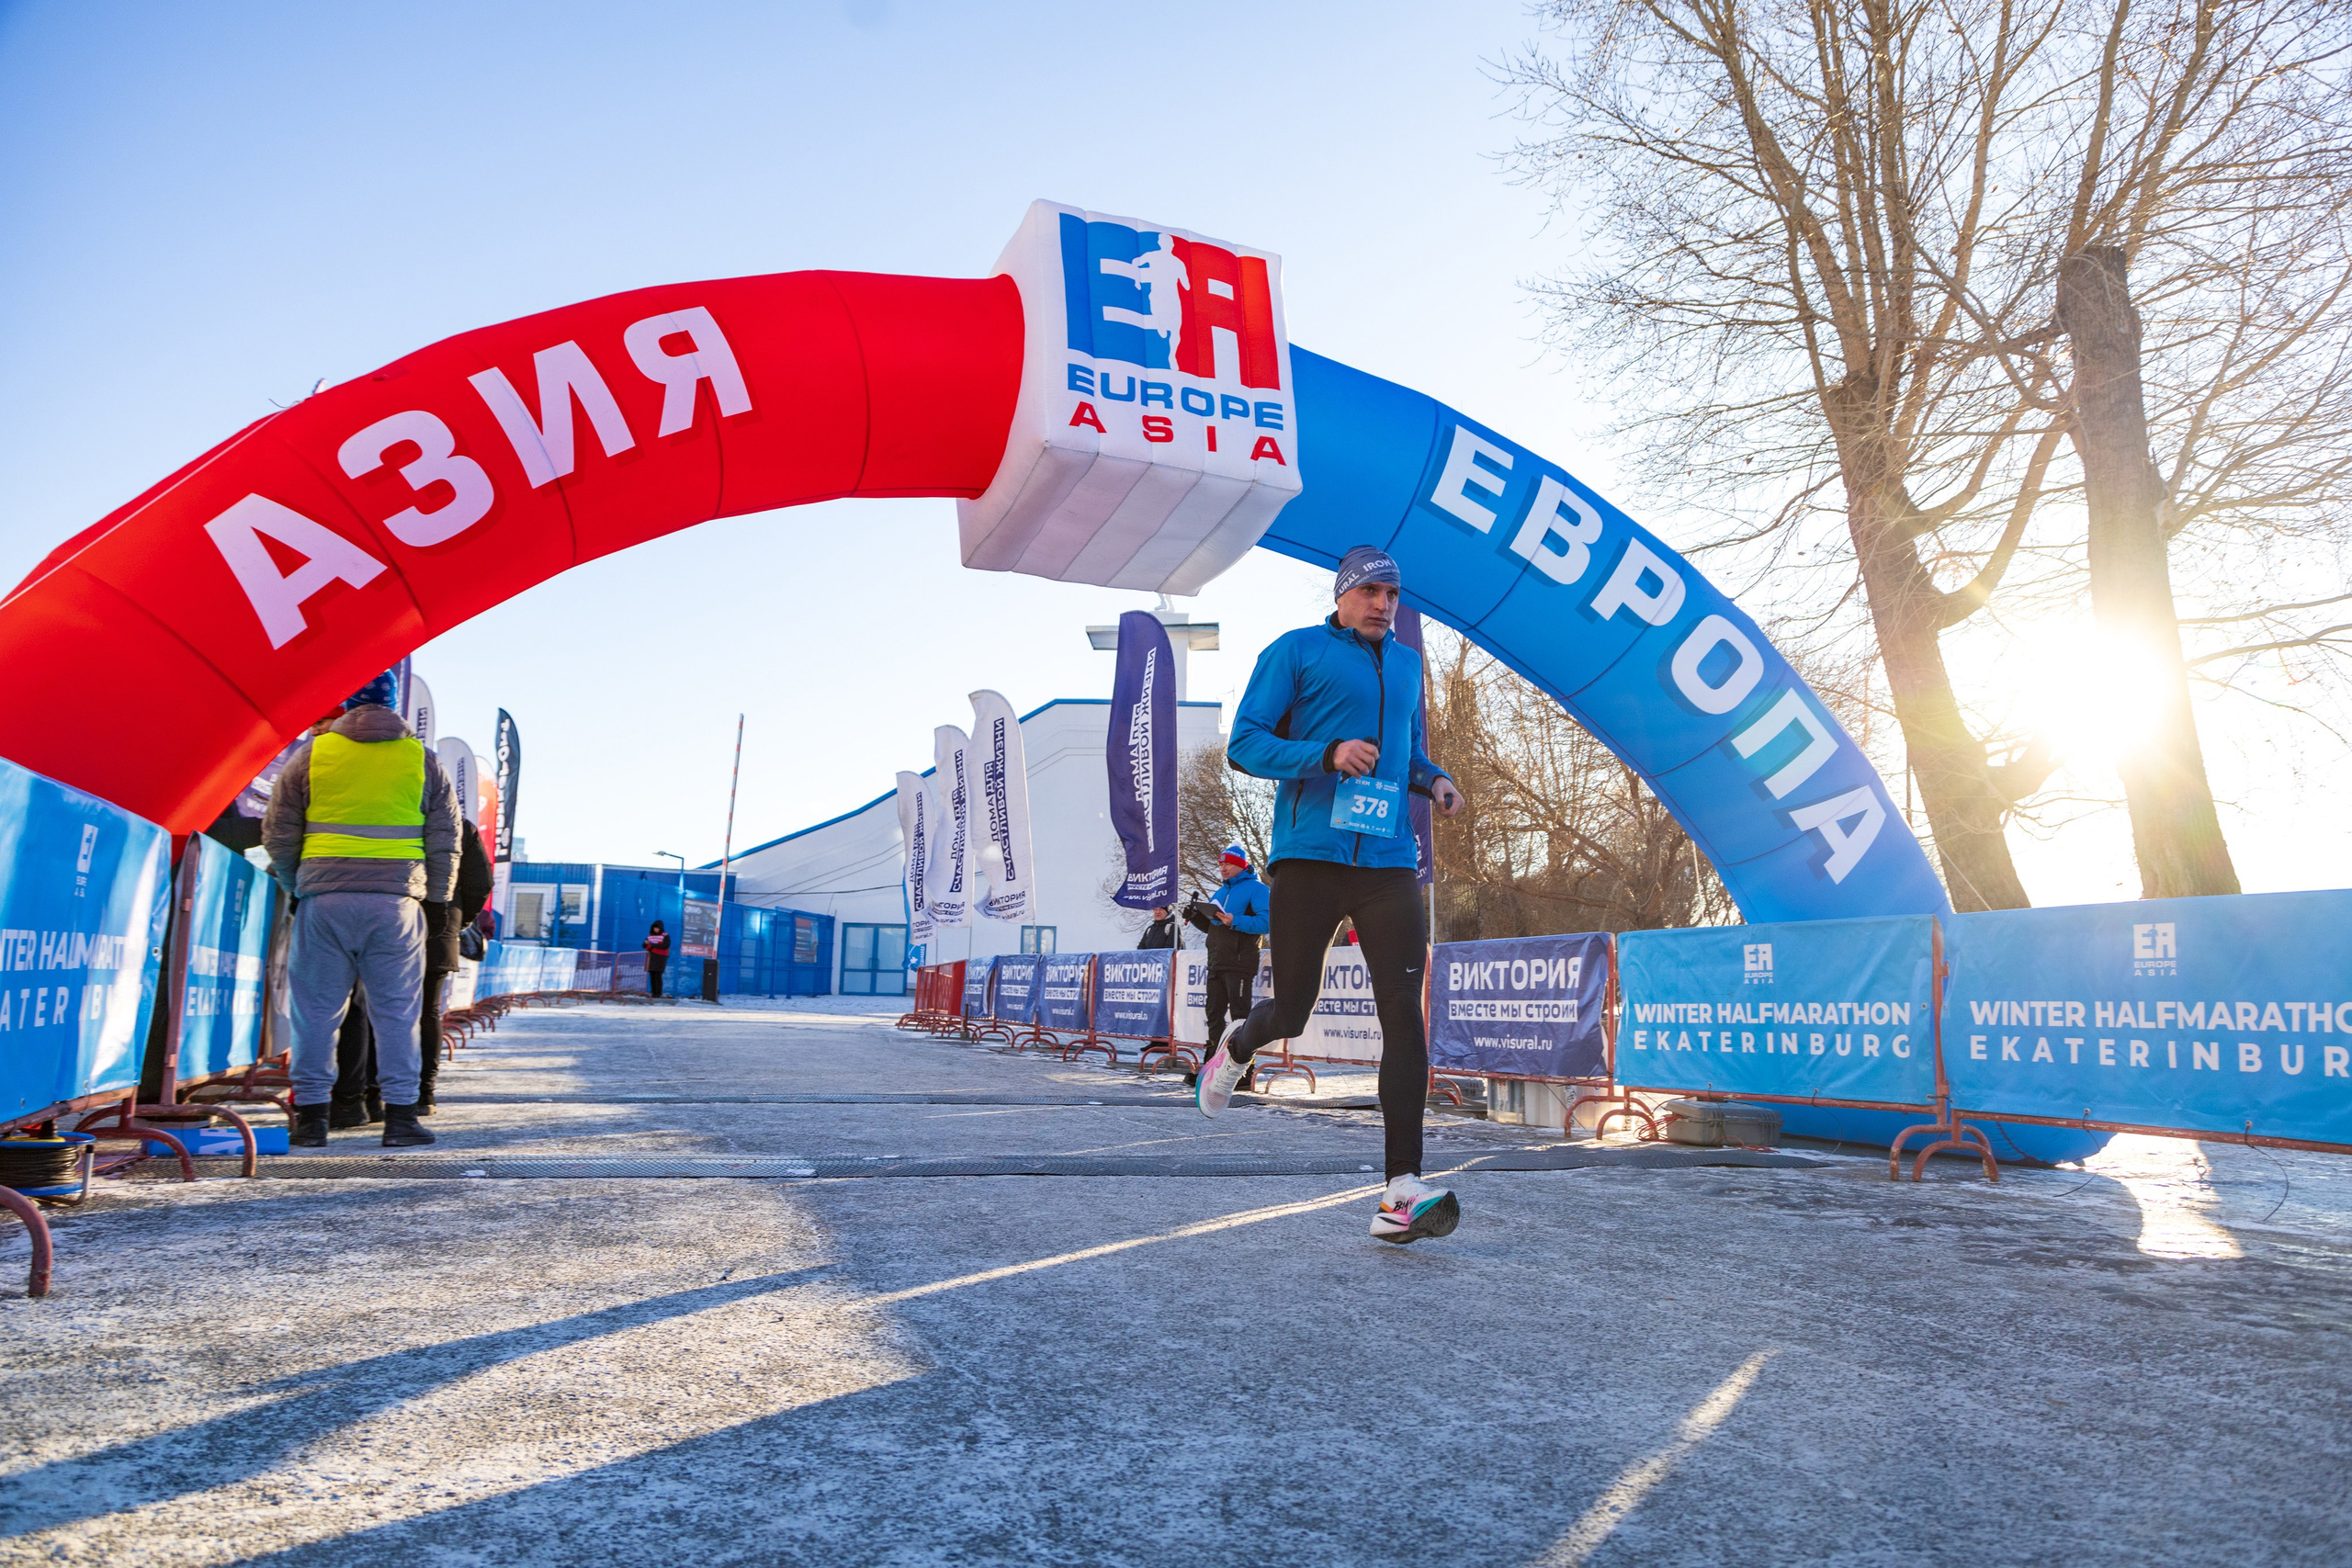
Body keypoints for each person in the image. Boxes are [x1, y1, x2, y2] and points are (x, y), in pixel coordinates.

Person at [1198, 546, 1466, 1244]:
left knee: (1403, 1014)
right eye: (1372, 592)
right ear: (1344, 595)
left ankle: (1400, 1189)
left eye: (1393, 595)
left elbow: (1404, 749)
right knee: (1292, 1009)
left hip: (1386, 862)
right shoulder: (1296, 652)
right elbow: (1246, 745)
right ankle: (1238, 1043)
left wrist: (1432, 780)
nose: (1384, 605)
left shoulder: (1406, 665)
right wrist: (1325, 753)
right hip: (1309, 857)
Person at [264, 671, 461, 1149]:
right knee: (397, 1013)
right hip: (396, 904)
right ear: (393, 705)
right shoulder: (423, 761)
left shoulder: (312, 755)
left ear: (348, 704)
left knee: (315, 1014)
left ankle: (311, 1119)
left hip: (323, 902)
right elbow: (446, 840)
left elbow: (279, 833)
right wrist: (435, 901)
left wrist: (299, 885)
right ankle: (400, 1119)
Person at [415, 815, 493, 1113]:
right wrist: (462, 919)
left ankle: (366, 1095)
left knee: (378, 1010)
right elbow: (480, 883)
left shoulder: (396, 811)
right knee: (428, 1011)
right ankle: (423, 1094)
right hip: (443, 923)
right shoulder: (460, 825)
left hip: (393, 915)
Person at [1195, 846, 1271, 1077]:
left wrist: (1235, 920)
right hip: (1216, 960)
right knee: (1214, 1015)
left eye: (1227, 864)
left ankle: (1243, 1070)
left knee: (1240, 1017)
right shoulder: (1219, 892)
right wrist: (1196, 917)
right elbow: (1213, 926)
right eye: (1220, 864)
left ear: (1241, 865)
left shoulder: (1258, 889)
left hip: (1239, 961)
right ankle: (1211, 1067)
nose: (1223, 868)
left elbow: (1266, 922)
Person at [643, 919, 671, 997]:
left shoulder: (665, 935)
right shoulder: (650, 936)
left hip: (661, 957)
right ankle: (653, 992)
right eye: (655, 928)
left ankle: (658, 993)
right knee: (652, 975)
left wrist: (652, 945)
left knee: (658, 975)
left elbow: (665, 945)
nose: (656, 929)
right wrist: (646, 943)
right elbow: (645, 946)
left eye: (657, 928)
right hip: (651, 957)